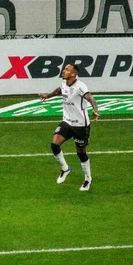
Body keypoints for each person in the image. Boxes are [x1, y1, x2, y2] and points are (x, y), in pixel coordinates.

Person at [39, 63, 100, 191]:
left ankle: (88, 179)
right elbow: (60, 90)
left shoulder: (80, 86)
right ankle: (65, 169)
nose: (63, 71)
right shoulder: (64, 83)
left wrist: (95, 110)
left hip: (81, 125)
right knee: (54, 144)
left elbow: (91, 98)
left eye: (67, 69)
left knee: (81, 153)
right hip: (67, 122)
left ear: (73, 74)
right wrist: (48, 96)